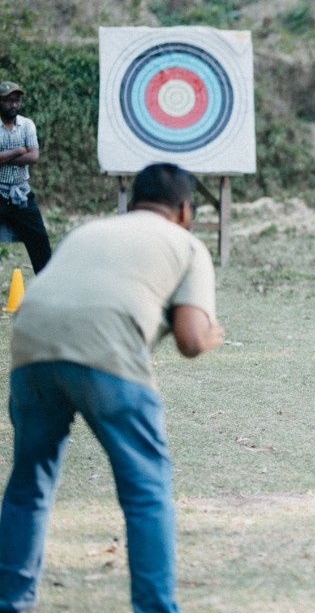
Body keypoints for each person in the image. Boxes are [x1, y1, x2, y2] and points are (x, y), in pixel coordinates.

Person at [0, 163, 225, 613]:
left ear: (133, 201)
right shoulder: (186, 244)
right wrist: (211, 335)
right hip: (106, 358)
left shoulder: (88, 231)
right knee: (146, 491)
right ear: (185, 210)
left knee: (28, 484)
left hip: (30, 347)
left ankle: (10, 602)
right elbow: (190, 340)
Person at [0, 81, 52, 274]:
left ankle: (46, 287)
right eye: (8, 101)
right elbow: (26, 153)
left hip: (21, 194)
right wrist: (18, 150)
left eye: (17, 100)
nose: (14, 105)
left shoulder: (27, 124)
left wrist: (4, 158)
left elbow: (34, 156)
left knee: (41, 243)